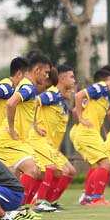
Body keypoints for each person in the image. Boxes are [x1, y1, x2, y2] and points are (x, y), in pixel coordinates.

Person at [0, 53, 53, 220]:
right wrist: (11, 128)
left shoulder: (29, 87)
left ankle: (24, 208)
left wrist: (34, 126)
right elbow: (11, 103)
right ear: (37, 70)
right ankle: (15, 209)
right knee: (32, 170)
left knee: (41, 172)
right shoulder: (28, 87)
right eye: (46, 72)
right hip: (8, 139)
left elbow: (26, 110)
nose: (47, 76)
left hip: (19, 140)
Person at [71, 67, 110, 206]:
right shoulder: (103, 86)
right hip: (86, 133)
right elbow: (79, 95)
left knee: (106, 165)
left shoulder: (106, 94)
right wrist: (80, 118)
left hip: (91, 134)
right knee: (106, 163)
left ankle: (90, 197)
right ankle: (96, 198)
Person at [27, 64, 76, 211]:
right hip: (37, 139)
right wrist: (34, 125)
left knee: (66, 171)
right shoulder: (52, 94)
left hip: (48, 144)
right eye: (71, 77)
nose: (73, 82)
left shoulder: (60, 101)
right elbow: (35, 102)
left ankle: (48, 202)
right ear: (61, 79)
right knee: (52, 168)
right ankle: (40, 202)